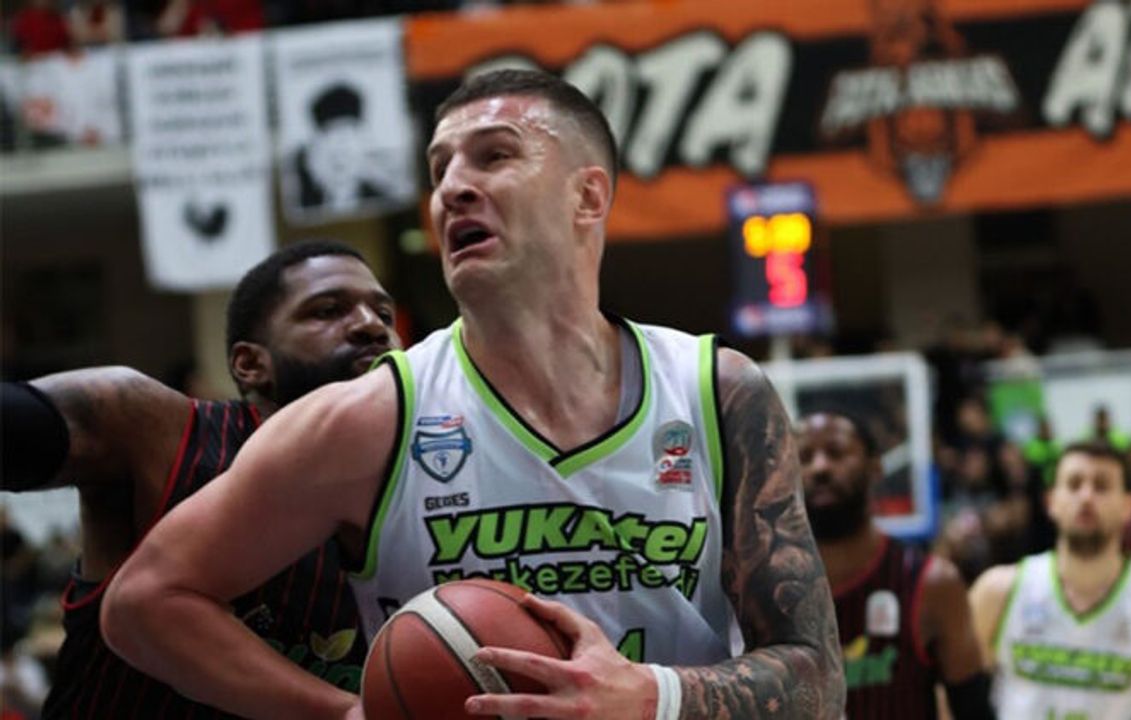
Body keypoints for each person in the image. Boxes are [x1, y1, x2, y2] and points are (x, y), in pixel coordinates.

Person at [101, 69, 844, 719]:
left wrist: (649, 698)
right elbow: (145, 600)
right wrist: (341, 713)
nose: (453, 187)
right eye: (440, 168)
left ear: (587, 196)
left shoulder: (717, 392)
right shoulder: (373, 418)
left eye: (494, 156)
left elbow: (818, 681)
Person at [1, 240, 399, 717]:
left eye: (385, 314)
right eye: (328, 310)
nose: (371, 326)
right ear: (250, 364)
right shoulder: (159, 433)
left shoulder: (427, 488)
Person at [969, 441, 1131, 720]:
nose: (1086, 496)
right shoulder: (998, 591)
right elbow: (953, 700)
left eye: (1101, 486)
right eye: (1074, 484)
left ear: (1128, 506)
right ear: (1051, 501)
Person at [797, 412, 994, 719]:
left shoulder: (932, 583)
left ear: (875, 467)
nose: (820, 467)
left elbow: (975, 712)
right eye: (804, 457)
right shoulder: (762, 590)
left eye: (836, 452)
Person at [293, 84, 388, 213]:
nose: (340, 159)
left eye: (346, 137)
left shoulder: (382, 200)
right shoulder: (305, 204)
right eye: (329, 135)